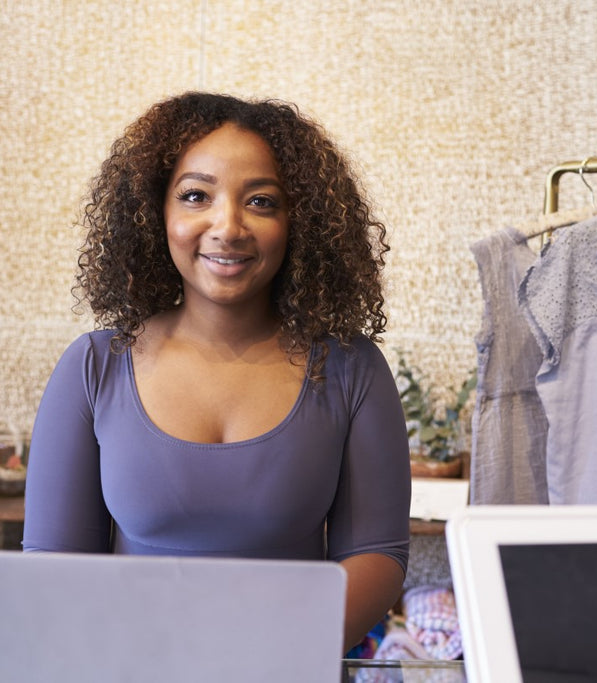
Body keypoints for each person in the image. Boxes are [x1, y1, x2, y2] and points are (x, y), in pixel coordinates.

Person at [22, 92, 412, 652]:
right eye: (195, 195)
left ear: (300, 220)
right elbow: (53, 561)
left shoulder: (351, 369)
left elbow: (377, 555)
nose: (227, 226)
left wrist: (265, 655)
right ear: (155, 211)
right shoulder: (93, 366)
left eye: (261, 201)